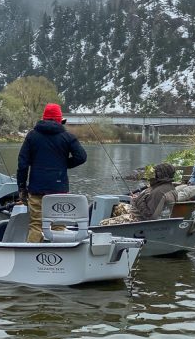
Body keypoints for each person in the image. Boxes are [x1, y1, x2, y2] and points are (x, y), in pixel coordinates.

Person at [17, 103, 87, 243]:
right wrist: (63, 165)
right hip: (59, 189)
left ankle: (32, 255)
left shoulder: (32, 136)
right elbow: (81, 157)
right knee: (58, 224)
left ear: (43, 118)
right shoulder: (67, 137)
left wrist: (22, 187)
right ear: (59, 119)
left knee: (36, 225)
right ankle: (57, 256)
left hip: (36, 188)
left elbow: (23, 164)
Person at [99, 163, 179, 225]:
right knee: (116, 207)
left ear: (160, 175)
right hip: (140, 213)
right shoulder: (169, 187)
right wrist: (139, 198)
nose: (153, 175)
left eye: (155, 173)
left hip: (139, 220)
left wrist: (138, 200)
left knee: (103, 223)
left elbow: (150, 217)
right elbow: (149, 203)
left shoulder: (159, 192)